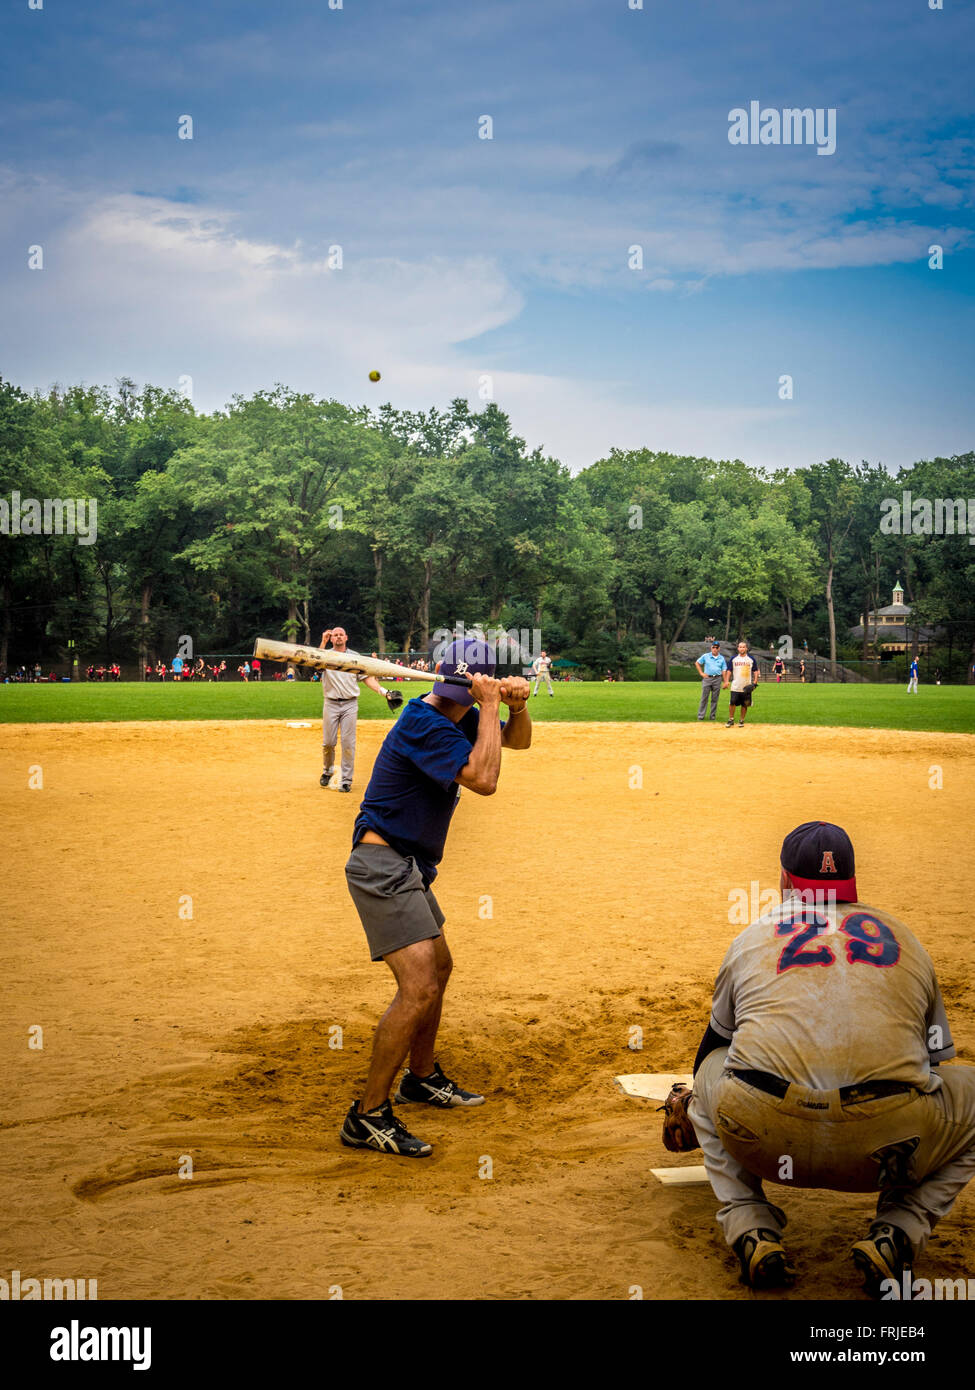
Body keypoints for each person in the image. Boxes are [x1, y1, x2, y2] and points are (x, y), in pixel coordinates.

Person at [683, 821, 975, 1296]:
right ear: (851, 879)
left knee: (711, 1073)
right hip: (881, 1146)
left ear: (784, 879)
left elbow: (711, 1048)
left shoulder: (752, 937)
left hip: (763, 1136)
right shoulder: (906, 939)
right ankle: (898, 1231)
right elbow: (934, 1064)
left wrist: (694, 1100)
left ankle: (751, 1228)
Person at [340, 638, 532, 1157]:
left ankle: (420, 1077)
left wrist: (516, 707)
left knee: (439, 969)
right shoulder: (422, 721)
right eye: (453, 693)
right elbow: (484, 779)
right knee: (419, 986)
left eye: (461, 696)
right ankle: (367, 1116)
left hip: (409, 867)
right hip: (382, 865)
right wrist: (490, 705)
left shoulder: (458, 715)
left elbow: (516, 744)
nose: (452, 701)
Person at [318, 626, 399, 792]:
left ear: (346, 637)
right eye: (335, 635)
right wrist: (323, 642)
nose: (338, 637)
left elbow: (367, 678)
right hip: (331, 703)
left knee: (348, 743)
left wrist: (384, 692)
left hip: (349, 704)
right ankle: (328, 770)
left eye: (341, 634)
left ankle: (346, 780)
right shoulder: (326, 655)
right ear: (331, 638)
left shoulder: (355, 657)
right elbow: (317, 662)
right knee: (328, 743)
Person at [723, 639, 760, 728]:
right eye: (740, 647)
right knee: (732, 703)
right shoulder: (734, 659)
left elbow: (755, 671)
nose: (742, 648)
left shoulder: (751, 659)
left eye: (743, 647)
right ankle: (731, 719)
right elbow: (729, 671)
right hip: (735, 685)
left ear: (746, 648)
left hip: (746, 686)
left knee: (745, 704)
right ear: (738, 648)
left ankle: (741, 720)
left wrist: (755, 682)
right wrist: (727, 681)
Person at [695, 641, 727, 721]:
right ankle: (701, 716)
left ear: (719, 648)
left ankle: (712, 716)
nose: (715, 649)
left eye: (716, 647)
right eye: (713, 647)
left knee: (715, 699)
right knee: (704, 698)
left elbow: (724, 670)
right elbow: (697, 663)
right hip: (707, 678)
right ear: (711, 648)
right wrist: (701, 673)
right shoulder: (706, 656)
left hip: (717, 678)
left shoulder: (721, 658)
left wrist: (725, 681)